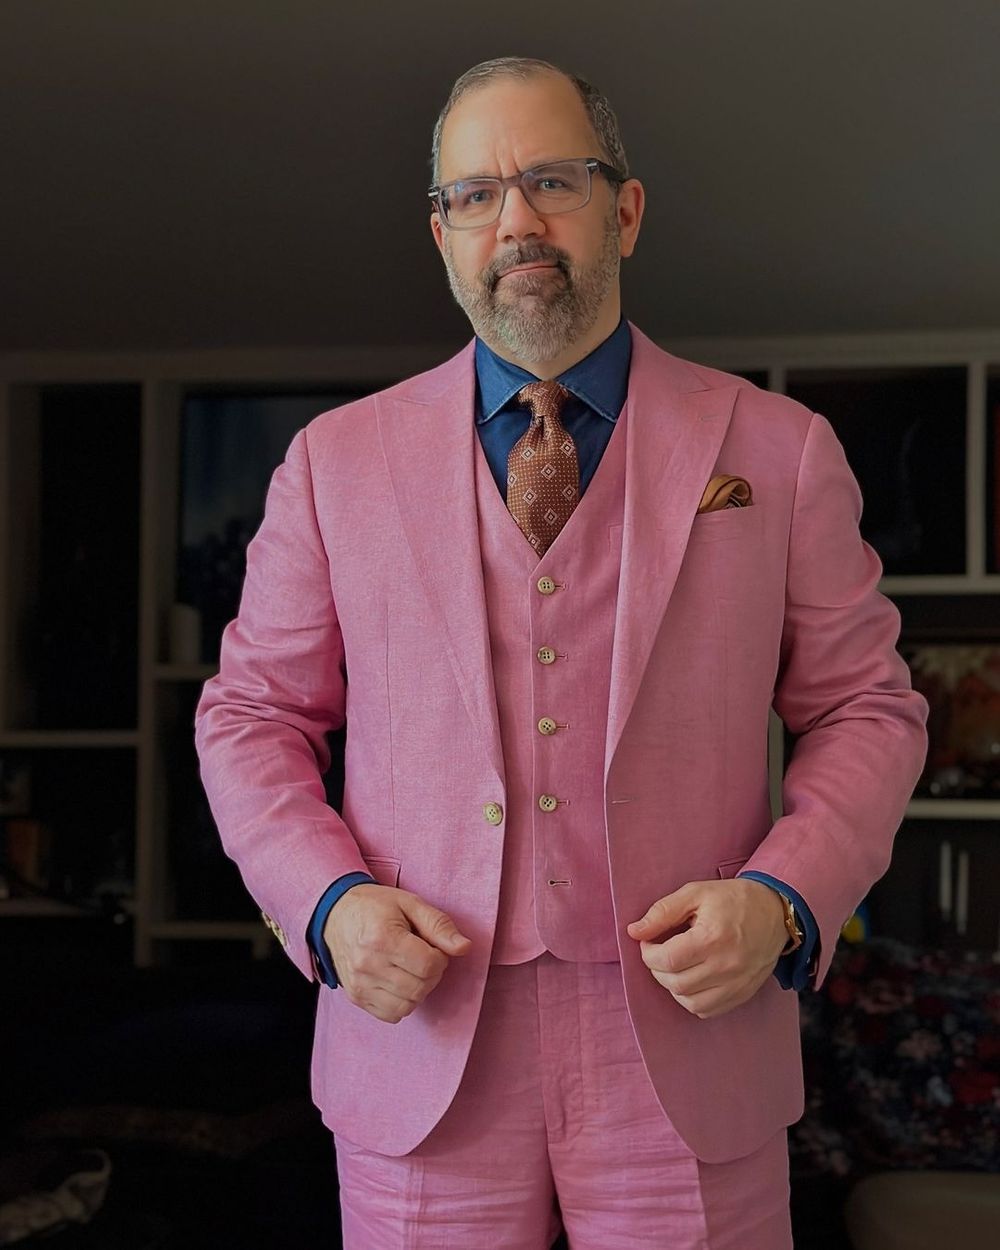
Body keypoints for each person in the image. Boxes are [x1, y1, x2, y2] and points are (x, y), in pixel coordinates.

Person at [195, 56, 929, 1249]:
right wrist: (326, 905)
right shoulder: (334, 464)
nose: (516, 220)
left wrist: (784, 896)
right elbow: (250, 715)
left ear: (624, 210)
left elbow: (868, 705)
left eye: (551, 179)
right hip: (422, 1037)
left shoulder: (781, 452)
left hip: (692, 1040)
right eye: (474, 194)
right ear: (440, 233)